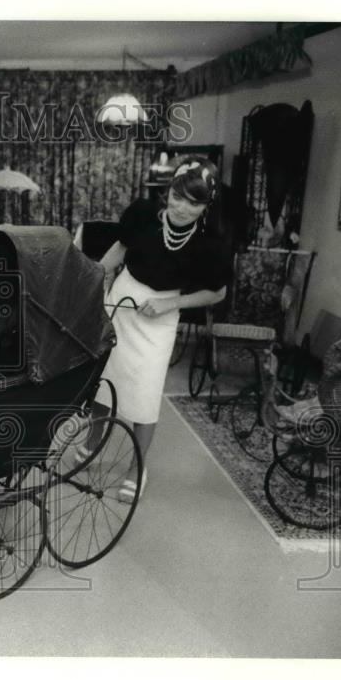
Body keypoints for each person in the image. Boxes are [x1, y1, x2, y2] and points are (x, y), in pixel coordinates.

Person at [92, 156, 232, 501]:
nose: (183, 208)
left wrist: (170, 304)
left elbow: (217, 292)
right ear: (168, 192)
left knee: (145, 392)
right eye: (178, 197)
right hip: (123, 302)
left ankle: (137, 469)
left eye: (195, 202)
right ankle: (90, 445)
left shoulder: (211, 241)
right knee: (103, 380)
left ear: (206, 206)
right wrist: (93, 278)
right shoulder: (142, 215)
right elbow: (118, 251)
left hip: (162, 314)